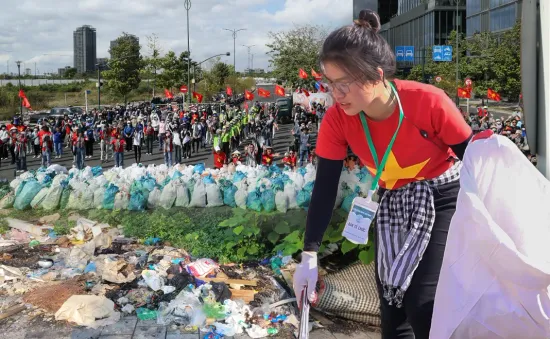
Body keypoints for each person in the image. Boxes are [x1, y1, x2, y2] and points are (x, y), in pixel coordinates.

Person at [292, 10, 473, 339]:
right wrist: (309, 253)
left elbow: (475, 162)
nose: (336, 94)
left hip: (443, 196)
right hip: (393, 200)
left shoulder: (428, 102)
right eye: (329, 83)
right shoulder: (336, 120)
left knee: (423, 303)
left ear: (375, 76)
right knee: (392, 310)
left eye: (343, 84)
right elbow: (325, 186)